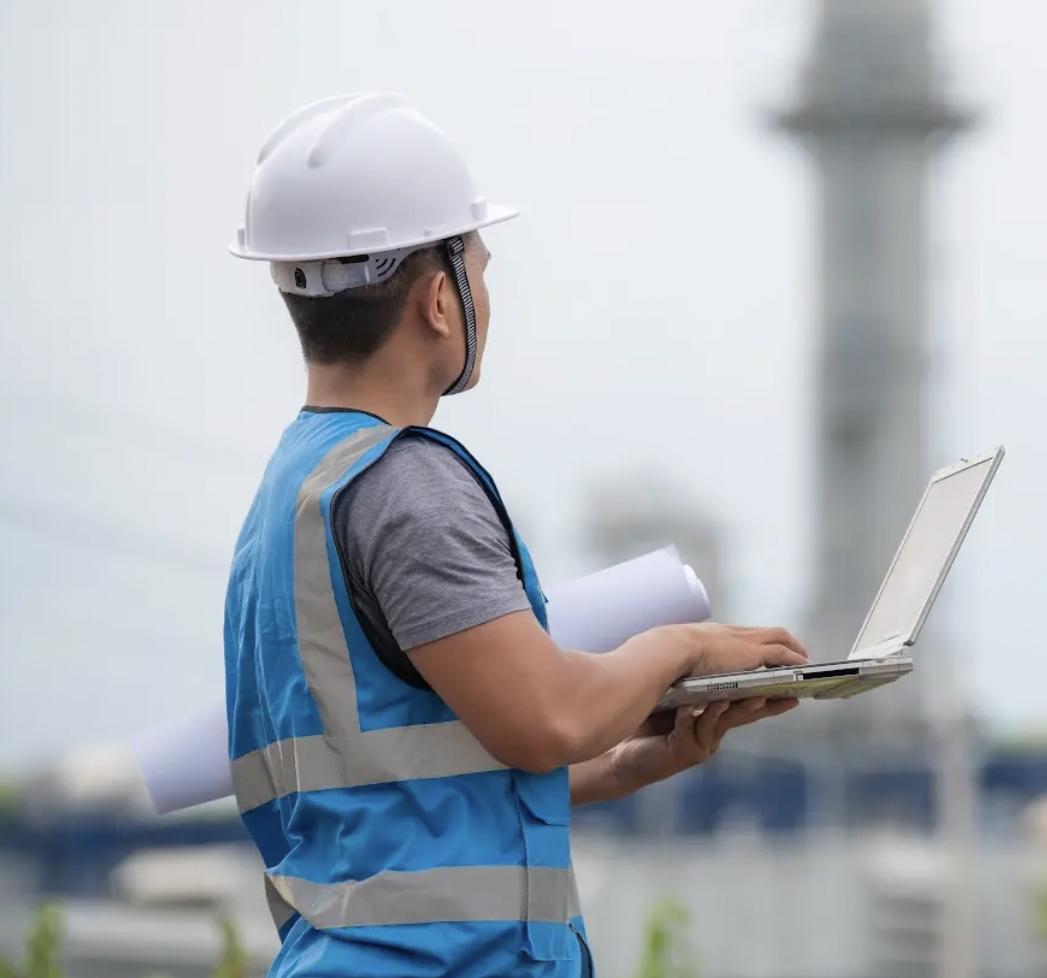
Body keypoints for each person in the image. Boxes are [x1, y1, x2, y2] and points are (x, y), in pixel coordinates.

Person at [223, 92, 806, 977]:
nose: (486, 296)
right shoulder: (406, 485)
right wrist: (681, 645)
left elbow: (397, 795)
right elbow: (548, 714)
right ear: (437, 301)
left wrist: (628, 763)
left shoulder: (294, 491)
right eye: (481, 267)